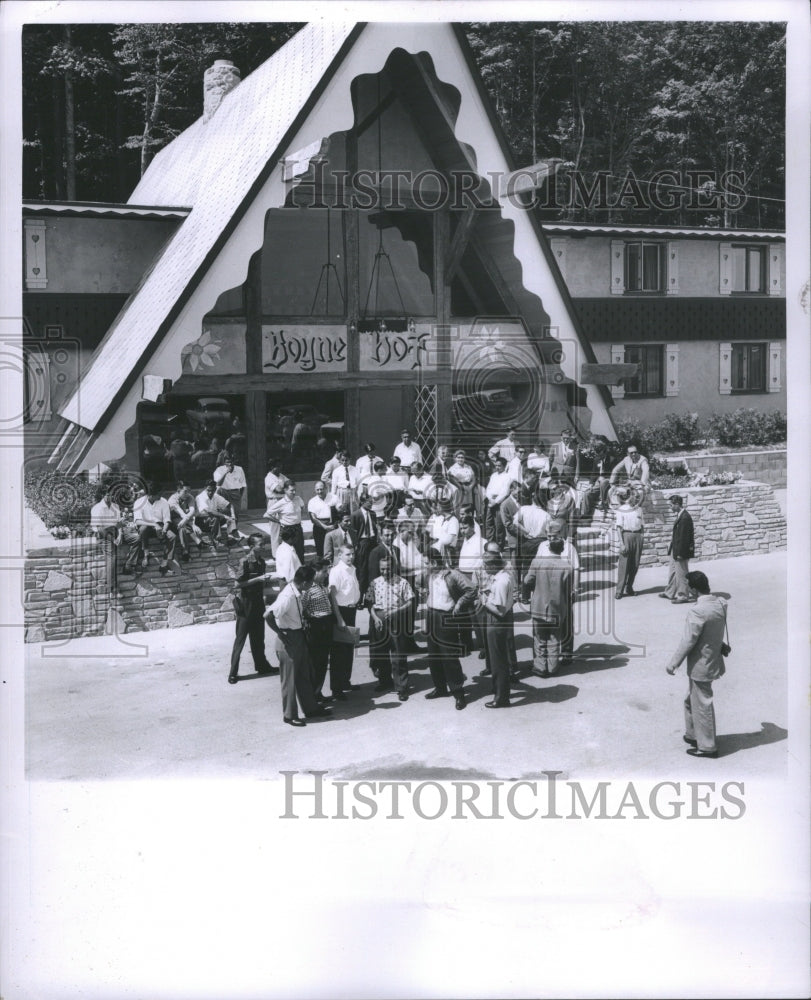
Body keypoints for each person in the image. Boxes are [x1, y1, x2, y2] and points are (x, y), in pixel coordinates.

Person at [665, 571, 727, 757]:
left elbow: (688, 641)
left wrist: (673, 663)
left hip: (701, 665)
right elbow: (714, 629)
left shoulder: (697, 611)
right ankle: (694, 734)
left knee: (703, 703)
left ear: (692, 589)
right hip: (713, 660)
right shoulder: (721, 603)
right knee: (691, 699)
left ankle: (708, 747)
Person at [265, 565, 331, 727]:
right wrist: (280, 633)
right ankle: (289, 715)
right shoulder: (287, 596)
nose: (311, 585)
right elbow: (268, 615)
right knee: (290, 680)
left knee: (304, 675)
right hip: (289, 638)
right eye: (310, 582)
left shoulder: (297, 591)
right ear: (304, 583)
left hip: (299, 636)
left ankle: (311, 708)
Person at [424, 548, 474, 710]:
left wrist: (459, 604)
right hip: (431, 615)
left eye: (426, 563)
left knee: (449, 657)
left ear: (434, 562)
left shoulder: (453, 575)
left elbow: (472, 589)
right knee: (433, 655)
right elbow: (419, 584)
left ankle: (458, 693)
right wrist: (423, 591)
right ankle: (440, 688)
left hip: (447, 618)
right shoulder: (428, 575)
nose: (424, 566)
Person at [229, 532, 279, 684]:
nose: (263, 547)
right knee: (241, 638)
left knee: (259, 637)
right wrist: (258, 579)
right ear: (251, 546)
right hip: (245, 603)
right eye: (260, 544)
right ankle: (233, 673)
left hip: (258, 602)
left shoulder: (261, 562)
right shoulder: (245, 561)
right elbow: (237, 584)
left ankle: (262, 665)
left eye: (263, 544)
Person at [522, 536, 574, 678]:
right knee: (554, 637)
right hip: (557, 608)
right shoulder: (567, 567)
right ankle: (553, 667)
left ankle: (540, 667)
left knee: (539, 637)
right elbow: (568, 590)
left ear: (549, 547)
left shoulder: (537, 562)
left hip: (538, 606)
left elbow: (527, 580)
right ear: (562, 550)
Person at [366, 554, 415, 700]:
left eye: (387, 569)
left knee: (398, 653)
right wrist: (375, 618)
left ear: (393, 568)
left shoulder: (402, 582)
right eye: (382, 569)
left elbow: (410, 602)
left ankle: (401, 686)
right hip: (379, 619)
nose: (385, 572)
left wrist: (395, 611)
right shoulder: (374, 583)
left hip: (396, 619)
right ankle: (384, 681)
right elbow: (369, 603)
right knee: (380, 652)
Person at [302, 558, 347, 703]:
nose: (326, 574)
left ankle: (317, 692)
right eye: (324, 571)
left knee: (322, 662)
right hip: (316, 627)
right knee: (315, 662)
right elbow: (302, 609)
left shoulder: (321, 585)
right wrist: (311, 619)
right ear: (315, 572)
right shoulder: (307, 588)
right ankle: (312, 695)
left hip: (326, 625)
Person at [479, 549, 516, 707]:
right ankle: (499, 690)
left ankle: (501, 698)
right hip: (500, 620)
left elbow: (500, 611)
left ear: (494, 565)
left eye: (486, 565)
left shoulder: (501, 581)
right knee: (499, 658)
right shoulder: (503, 576)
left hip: (497, 621)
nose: (484, 568)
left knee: (498, 661)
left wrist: (484, 600)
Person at [328, 546, 361, 700]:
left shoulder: (352, 568)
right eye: (348, 554)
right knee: (339, 652)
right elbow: (333, 597)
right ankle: (336, 688)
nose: (351, 557)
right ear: (339, 555)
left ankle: (345, 682)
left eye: (353, 554)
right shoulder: (336, 571)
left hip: (351, 611)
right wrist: (339, 618)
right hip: (341, 612)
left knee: (349, 649)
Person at [125, 482, 177, 575]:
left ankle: (164, 564)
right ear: (150, 495)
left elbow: (167, 519)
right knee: (143, 529)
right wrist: (153, 524)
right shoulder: (139, 502)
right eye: (159, 494)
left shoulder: (163, 501)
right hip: (146, 526)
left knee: (172, 536)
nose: (161, 496)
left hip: (161, 526)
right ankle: (146, 554)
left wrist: (164, 529)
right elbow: (137, 521)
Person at [661, 494, 695, 604]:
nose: (670, 507)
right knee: (673, 571)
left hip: (681, 551)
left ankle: (683, 595)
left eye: (671, 505)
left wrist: (680, 553)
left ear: (677, 504)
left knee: (681, 573)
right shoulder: (680, 515)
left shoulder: (685, 518)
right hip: (675, 549)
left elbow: (685, 538)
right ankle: (670, 592)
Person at [614, 486, 645, 599]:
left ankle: (629, 587)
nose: (637, 499)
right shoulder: (622, 509)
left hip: (637, 536)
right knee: (624, 565)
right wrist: (621, 544)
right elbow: (618, 528)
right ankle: (619, 590)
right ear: (630, 496)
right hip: (626, 535)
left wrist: (642, 536)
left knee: (635, 564)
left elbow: (642, 525)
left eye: (638, 498)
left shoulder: (639, 509)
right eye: (635, 497)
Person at [90, 484, 122, 590]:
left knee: (135, 539)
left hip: (115, 531)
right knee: (112, 557)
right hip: (103, 535)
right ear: (103, 495)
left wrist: (120, 536)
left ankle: (130, 565)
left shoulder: (115, 506)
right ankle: (111, 587)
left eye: (111, 495)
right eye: (108, 495)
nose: (110, 497)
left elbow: (119, 523)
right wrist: (113, 540)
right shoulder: (97, 508)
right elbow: (100, 529)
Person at [266, 481, 306, 561]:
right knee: (288, 553)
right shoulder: (281, 503)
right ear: (285, 490)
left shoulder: (298, 499)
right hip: (287, 530)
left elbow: (302, 508)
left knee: (300, 552)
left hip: (298, 528)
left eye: (295, 490)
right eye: (291, 490)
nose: (294, 492)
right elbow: (267, 515)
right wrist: (279, 521)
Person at [349, 494, 378, 597]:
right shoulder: (355, 515)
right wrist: (356, 546)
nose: (371, 504)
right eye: (368, 502)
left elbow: (375, 529)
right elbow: (352, 532)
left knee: (373, 568)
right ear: (362, 502)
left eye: (372, 502)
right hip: (362, 543)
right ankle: (360, 596)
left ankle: (371, 596)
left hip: (373, 542)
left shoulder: (373, 514)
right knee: (362, 570)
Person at [195, 480, 237, 547]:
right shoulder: (200, 497)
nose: (210, 492)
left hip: (213, 521)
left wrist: (233, 515)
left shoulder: (216, 496)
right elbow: (209, 511)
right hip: (202, 522)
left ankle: (230, 537)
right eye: (208, 490)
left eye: (212, 490)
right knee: (216, 517)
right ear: (205, 488)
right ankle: (216, 540)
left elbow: (229, 505)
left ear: (215, 489)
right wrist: (224, 516)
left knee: (230, 514)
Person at [167, 481, 200, 561]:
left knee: (182, 528)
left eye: (189, 491)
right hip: (172, 522)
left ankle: (185, 552)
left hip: (183, 522)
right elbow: (181, 513)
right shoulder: (172, 500)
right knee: (181, 524)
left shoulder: (190, 497)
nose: (188, 493)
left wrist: (191, 524)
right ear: (178, 491)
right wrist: (192, 524)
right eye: (185, 491)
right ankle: (197, 541)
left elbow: (192, 511)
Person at [484, 456, 512, 545]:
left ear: (504, 466)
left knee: (499, 525)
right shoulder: (493, 475)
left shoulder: (508, 477)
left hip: (500, 502)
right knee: (489, 523)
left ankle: (499, 546)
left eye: (499, 466)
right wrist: (490, 499)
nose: (497, 467)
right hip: (491, 500)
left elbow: (505, 492)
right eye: (496, 465)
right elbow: (488, 488)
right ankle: (490, 544)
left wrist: (495, 502)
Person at [307, 480, 338, 559]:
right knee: (320, 550)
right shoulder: (312, 501)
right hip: (319, 526)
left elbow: (340, 511)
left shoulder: (334, 497)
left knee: (334, 548)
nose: (320, 491)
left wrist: (334, 525)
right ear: (315, 490)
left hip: (333, 526)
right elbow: (313, 518)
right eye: (317, 490)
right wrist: (324, 526)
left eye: (321, 489)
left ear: (326, 488)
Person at [499, 480, 522, 585]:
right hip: (515, 539)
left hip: (525, 539)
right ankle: (515, 587)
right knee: (515, 565)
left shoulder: (523, 501)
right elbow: (507, 524)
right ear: (512, 490)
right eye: (518, 492)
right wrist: (523, 533)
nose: (519, 494)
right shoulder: (505, 504)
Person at [428, 497, 459, 567]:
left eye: (438, 506)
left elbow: (449, 540)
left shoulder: (453, 520)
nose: (437, 508)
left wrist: (434, 544)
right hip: (439, 550)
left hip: (448, 553)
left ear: (443, 508)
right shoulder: (442, 519)